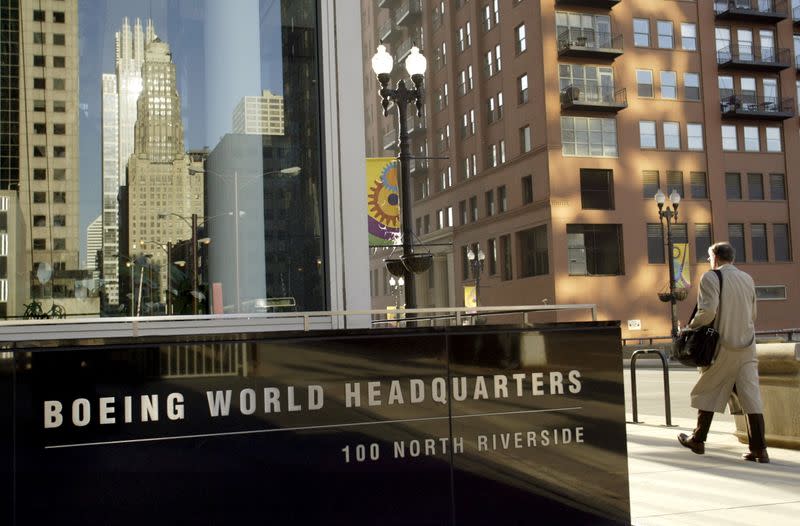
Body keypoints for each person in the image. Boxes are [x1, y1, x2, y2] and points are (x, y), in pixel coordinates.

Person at [677, 241, 768, 463]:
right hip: (747, 346)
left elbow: (707, 312)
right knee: (750, 396)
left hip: (722, 346)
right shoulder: (747, 278)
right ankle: (760, 450)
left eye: (709, 258)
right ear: (732, 258)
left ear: (715, 258)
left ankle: (698, 440)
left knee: (707, 389)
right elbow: (753, 314)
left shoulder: (712, 277)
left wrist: (690, 327)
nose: (709, 262)